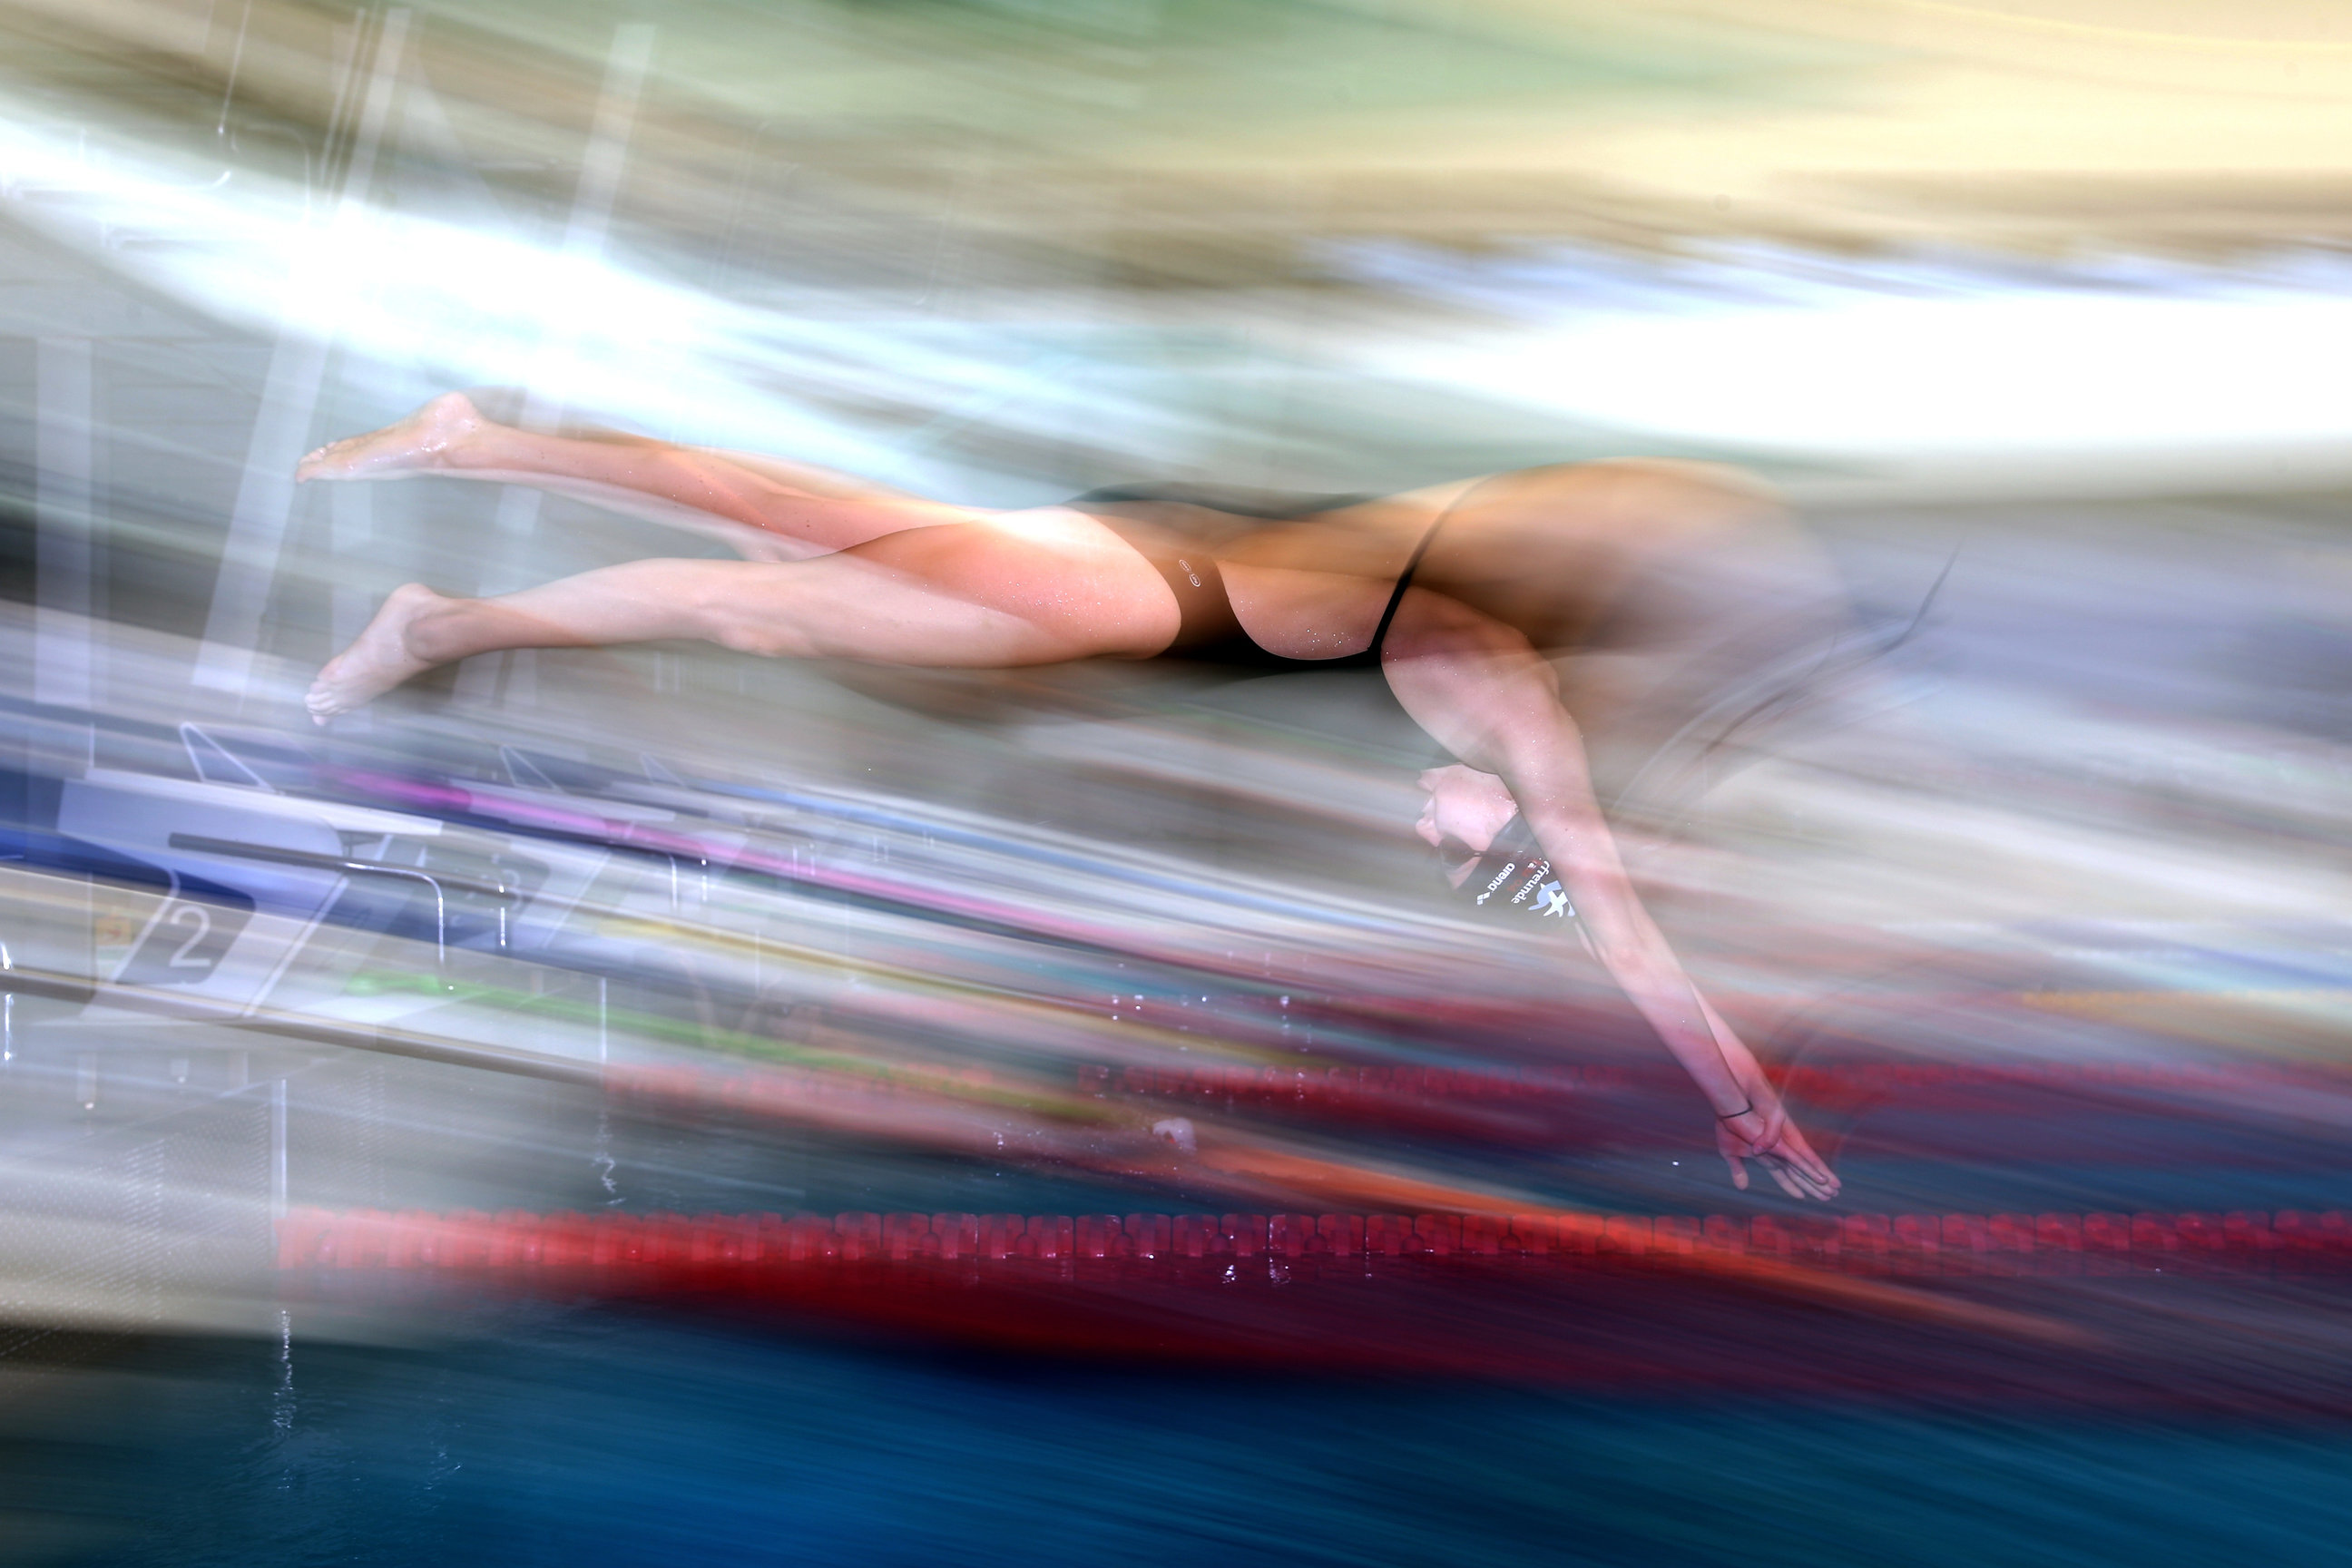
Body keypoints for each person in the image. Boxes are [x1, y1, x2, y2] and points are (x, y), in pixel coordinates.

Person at [299, 391, 1842, 1200]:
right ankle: (472, 462)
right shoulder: (1488, 667)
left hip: (1110, 574)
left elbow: (1595, 895)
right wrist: (1733, 1094)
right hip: (1101, 591)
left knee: (768, 590)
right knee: (771, 549)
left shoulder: (1459, 624)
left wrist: (1735, 1091)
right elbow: (1609, 909)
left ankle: (442, 606)